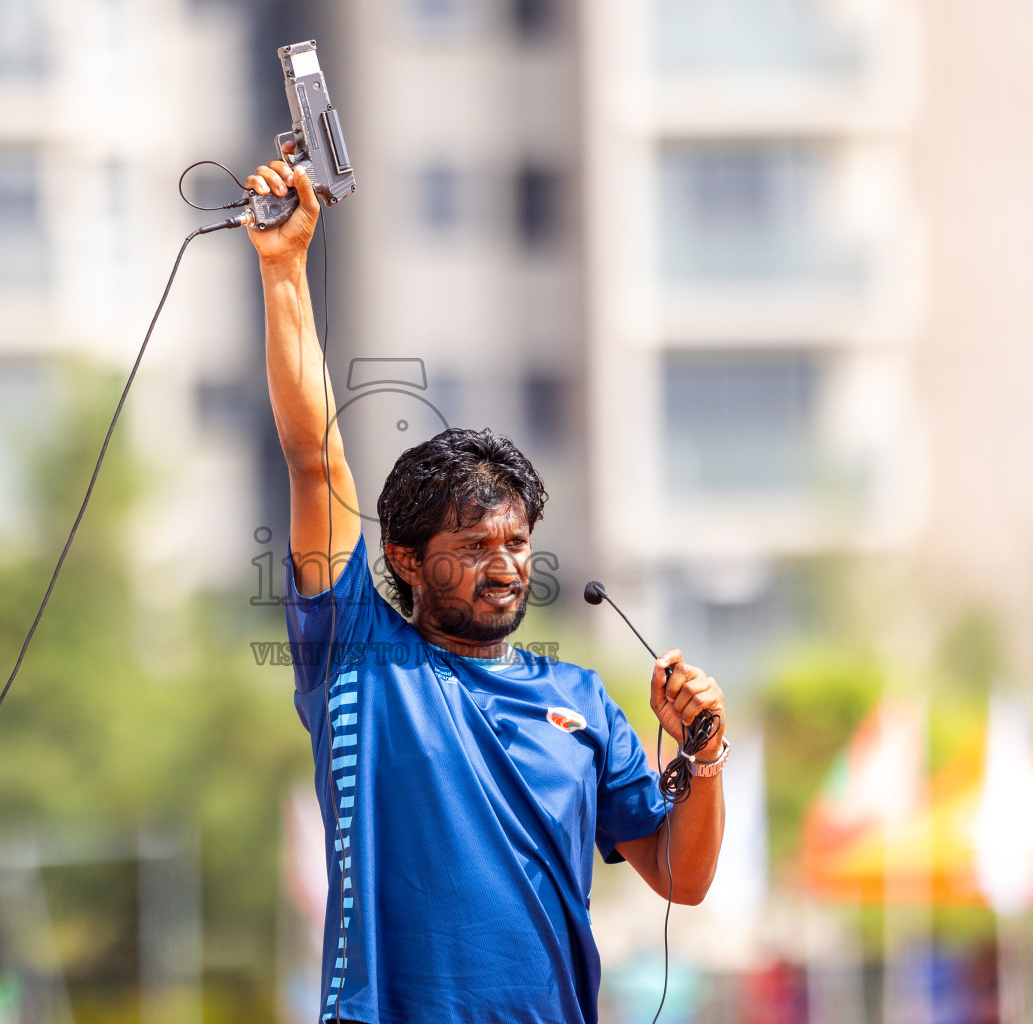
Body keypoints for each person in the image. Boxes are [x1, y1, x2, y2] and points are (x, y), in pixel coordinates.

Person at [246, 156, 728, 1024]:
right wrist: (284, 268)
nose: (504, 565)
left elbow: (681, 879)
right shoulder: (356, 655)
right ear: (402, 558)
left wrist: (701, 756)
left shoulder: (581, 703)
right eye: (471, 546)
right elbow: (316, 461)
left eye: (517, 543)